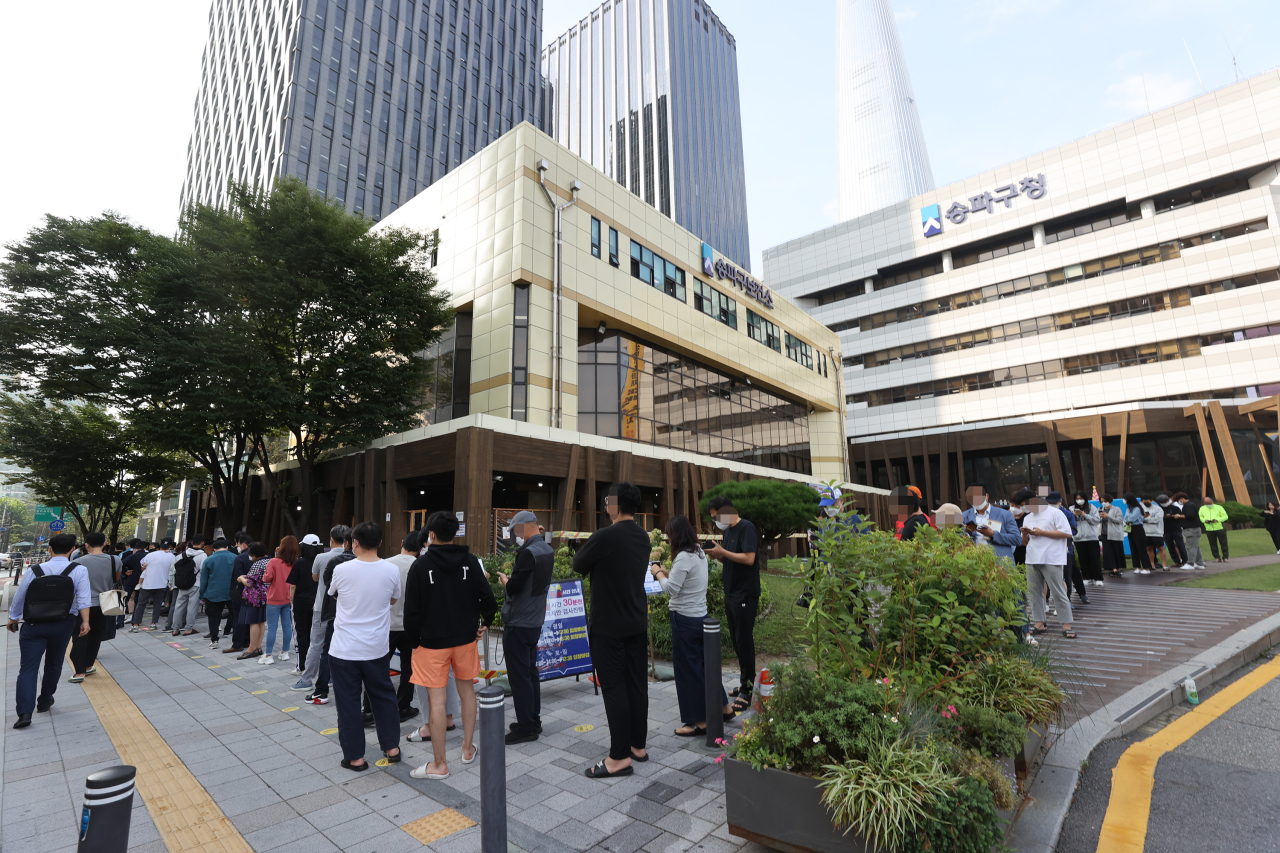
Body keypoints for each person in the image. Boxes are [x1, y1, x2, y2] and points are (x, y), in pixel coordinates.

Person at [404, 512, 493, 779]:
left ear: (431, 535)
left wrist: (414, 642)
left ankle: (439, 764)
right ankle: (467, 748)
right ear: (455, 533)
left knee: (437, 701)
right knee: (467, 692)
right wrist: (485, 622)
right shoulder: (469, 561)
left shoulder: (419, 566)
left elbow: (412, 612)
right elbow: (487, 599)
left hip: (431, 643)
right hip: (465, 639)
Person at [574, 482, 651, 779]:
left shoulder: (605, 536)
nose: (606, 506)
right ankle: (638, 746)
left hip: (609, 625)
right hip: (635, 621)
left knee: (615, 687)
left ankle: (619, 757)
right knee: (636, 684)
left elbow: (579, 564)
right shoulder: (642, 536)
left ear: (616, 505)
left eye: (608, 501)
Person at [325, 521, 403, 772]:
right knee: (383, 697)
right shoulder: (391, 570)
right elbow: (393, 599)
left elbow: (334, 594)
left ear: (353, 543)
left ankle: (355, 757)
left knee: (348, 702)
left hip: (344, 648)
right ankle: (392, 747)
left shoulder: (342, 569)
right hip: (376, 648)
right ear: (380, 542)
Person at [653, 515, 733, 737]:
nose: (668, 540)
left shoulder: (682, 557)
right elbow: (683, 581)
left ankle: (698, 721)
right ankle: (725, 707)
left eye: (669, 535)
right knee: (706, 667)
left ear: (675, 535)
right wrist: (665, 574)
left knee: (688, 671)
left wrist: (657, 572)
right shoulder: (698, 552)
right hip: (700, 617)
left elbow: (671, 589)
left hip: (684, 620)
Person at [8, 533, 91, 729]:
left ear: (49, 549)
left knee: (27, 669)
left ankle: (24, 713)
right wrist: (85, 621)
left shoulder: (35, 570)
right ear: (72, 549)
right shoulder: (79, 569)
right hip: (63, 623)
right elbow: (84, 598)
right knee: (54, 663)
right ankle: (45, 701)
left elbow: (20, 596)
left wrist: (13, 618)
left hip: (34, 625)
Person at [497, 510, 554, 744]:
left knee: (520, 677)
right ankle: (532, 720)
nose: (515, 536)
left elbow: (514, 588)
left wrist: (505, 581)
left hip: (519, 622)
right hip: (535, 620)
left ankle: (526, 728)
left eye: (516, 531)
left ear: (525, 526)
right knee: (531, 672)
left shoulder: (528, 553)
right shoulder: (546, 549)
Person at [706, 495, 761, 714]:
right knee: (737, 640)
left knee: (744, 639)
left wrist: (723, 552)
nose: (716, 521)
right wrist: (717, 555)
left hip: (745, 594)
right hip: (731, 593)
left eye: (716, 516)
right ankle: (744, 680)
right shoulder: (728, 531)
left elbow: (749, 558)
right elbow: (731, 558)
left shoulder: (746, 528)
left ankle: (747, 690)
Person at [292, 525, 352, 701]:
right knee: (340, 644)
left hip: (321, 607)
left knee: (316, 643)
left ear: (331, 539)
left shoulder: (321, 557)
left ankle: (307, 679)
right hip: (344, 608)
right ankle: (333, 676)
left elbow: (315, 577)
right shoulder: (354, 558)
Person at [1018, 489, 1077, 639]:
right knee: (1035, 593)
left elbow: (1067, 533)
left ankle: (1066, 624)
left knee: (1058, 592)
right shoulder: (1027, 517)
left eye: (1025, 504)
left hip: (1052, 558)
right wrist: (1025, 534)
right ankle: (1039, 622)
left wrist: (1042, 532)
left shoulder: (1055, 513)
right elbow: (1025, 543)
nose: (1024, 507)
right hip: (1032, 558)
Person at [380, 531, 421, 722]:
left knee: (378, 667)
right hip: (411, 626)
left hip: (386, 624)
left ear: (402, 542)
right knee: (408, 668)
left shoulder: (385, 563)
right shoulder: (421, 565)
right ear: (421, 548)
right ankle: (403, 705)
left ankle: (371, 707)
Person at [68, 532, 118, 682]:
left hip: (81, 605)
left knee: (80, 636)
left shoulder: (78, 562)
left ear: (86, 545)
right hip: (104, 604)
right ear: (104, 543)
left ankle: (79, 672)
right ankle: (89, 665)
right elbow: (116, 578)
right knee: (96, 635)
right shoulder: (114, 560)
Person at [261, 536, 299, 665]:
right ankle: (285, 652)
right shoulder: (296, 561)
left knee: (272, 628)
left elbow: (267, 578)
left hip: (274, 598)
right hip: (289, 598)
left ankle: (269, 655)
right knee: (287, 626)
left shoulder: (274, 561)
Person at [961, 485, 1022, 563]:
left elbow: (1017, 540)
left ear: (987, 496)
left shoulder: (1005, 515)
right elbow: (959, 541)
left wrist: (993, 534)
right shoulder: (964, 516)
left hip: (1000, 564)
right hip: (975, 564)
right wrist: (968, 533)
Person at [289, 535, 323, 671]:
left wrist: (291, 600)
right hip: (318, 602)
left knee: (302, 634)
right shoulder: (322, 561)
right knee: (317, 636)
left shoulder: (299, 562)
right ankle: (317, 666)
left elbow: (293, 585)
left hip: (301, 603)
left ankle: (302, 665)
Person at [1048, 491, 1087, 605]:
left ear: (1060, 502)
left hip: (1066, 548)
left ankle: (1070, 598)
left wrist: (1061, 530)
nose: (1052, 505)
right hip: (1049, 550)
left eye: (1054, 503)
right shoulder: (1043, 514)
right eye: (1049, 503)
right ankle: (1048, 601)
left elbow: (1074, 530)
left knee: (1068, 573)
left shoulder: (1067, 514)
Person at [199, 539, 237, 649]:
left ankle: (214, 639)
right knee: (235, 615)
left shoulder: (209, 560)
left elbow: (204, 580)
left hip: (213, 593)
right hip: (232, 592)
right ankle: (237, 640)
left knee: (214, 617)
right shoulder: (235, 558)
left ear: (214, 549)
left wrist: (202, 596)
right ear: (227, 547)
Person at [235, 542, 270, 660]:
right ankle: (258, 647)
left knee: (253, 621)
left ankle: (251, 648)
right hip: (265, 595)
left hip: (254, 596)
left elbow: (250, 583)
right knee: (261, 621)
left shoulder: (257, 564)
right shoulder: (269, 561)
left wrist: (241, 578)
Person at [131, 540, 175, 631]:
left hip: (148, 584)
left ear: (159, 545)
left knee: (141, 604)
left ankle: (135, 624)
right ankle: (153, 623)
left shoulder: (150, 555)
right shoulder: (172, 557)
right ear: (170, 546)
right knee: (157, 604)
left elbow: (143, 567)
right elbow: (172, 571)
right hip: (162, 584)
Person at [168, 537, 206, 636]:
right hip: (195, 584)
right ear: (202, 543)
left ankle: (175, 628)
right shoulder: (202, 555)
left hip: (182, 584)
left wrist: (172, 583)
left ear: (192, 543)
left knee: (178, 606)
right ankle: (188, 628)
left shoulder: (183, 554)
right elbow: (203, 571)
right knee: (192, 607)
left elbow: (175, 570)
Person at [223, 533, 254, 652]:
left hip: (241, 591)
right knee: (249, 618)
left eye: (239, 544)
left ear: (244, 544)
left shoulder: (240, 558)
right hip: (254, 592)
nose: (238, 547)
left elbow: (237, 577)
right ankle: (247, 640)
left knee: (238, 618)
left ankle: (237, 644)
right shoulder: (258, 556)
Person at [1071, 492, 1103, 588]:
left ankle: (1098, 578)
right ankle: (1086, 577)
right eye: (1077, 498)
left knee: (1094, 558)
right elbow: (1068, 521)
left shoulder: (1091, 507)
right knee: (1082, 559)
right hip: (1078, 538)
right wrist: (1074, 515)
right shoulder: (1071, 508)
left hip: (1091, 537)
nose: (1079, 500)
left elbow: (1096, 520)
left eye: (1081, 498)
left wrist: (1085, 514)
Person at [120, 539, 146, 627]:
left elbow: (121, 563)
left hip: (131, 580)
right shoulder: (148, 555)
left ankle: (120, 621)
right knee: (139, 602)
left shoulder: (133, 556)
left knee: (123, 601)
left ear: (134, 549)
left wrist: (125, 571)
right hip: (143, 581)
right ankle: (136, 621)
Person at [1124, 494, 1152, 574]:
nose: (1124, 500)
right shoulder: (1128, 508)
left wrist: (1127, 519)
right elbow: (1125, 517)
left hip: (1138, 528)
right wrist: (1127, 519)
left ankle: (1146, 568)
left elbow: (1132, 518)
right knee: (1133, 548)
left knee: (1141, 548)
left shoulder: (1138, 508)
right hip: (1130, 529)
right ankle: (1137, 567)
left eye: (1125, 499)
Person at [1176, 493, 1206, 570]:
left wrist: (1179, 516)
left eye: (1178, 500)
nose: (1179, 502)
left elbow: (1190, 515)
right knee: (1195, 547)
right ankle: (1200, 563)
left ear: (1182, 498)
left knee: (1191, 547)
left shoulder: (1189, 505)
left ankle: (1190, 563)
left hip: (1192, 529)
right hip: (1192, 529)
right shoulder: (1189, 505)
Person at [1161, 495, 1191, 569]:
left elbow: (1180, 517)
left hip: (1176, 529)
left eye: (1166, 501)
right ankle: (1176, 561)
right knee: (1170, 546)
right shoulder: (1160, 509)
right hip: (1165, 530)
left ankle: (1185, 561)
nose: (1165, 503)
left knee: (1181, 545)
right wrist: (1165, 516)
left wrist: (1174, 516)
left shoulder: (1175, 508)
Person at [1101, 494, 1127, 578]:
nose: (1104, 503)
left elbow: (1119, 520)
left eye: (1105, 501)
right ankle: (1114, 569)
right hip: (1104, 534)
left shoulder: (1116, 509)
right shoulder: (1100, 509)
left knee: (1117, 550)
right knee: (1108, 552)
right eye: (1102, 501)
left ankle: (1117, 568)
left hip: (1115, 533)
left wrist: (1108, 516)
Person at [1200, 495, 1230, 563]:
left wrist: (1217, 520)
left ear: (1212, 502)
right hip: (1209, 529)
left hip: (1220, 528)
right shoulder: (1202, 509)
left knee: (1223, 543)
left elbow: (1225, 517)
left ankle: (1225, 557)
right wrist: (1205, 520)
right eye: (1206, 504)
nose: (1208, 505)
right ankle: (1217, 557)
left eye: (1209, 504)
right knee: (1212, 544)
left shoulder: (1219, 507)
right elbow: (1201, 517)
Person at [1141, 496, 1167, 571]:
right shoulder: (1142, 509)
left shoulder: (1158, 509)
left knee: (1160, 548)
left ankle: (1164, 565)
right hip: (1146, 532)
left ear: (1151, 500)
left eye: (1147, 501)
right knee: (1149, 548)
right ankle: (1152, 564)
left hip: (1157, 532)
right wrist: (1146, 519)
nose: (1146, 503)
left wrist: (1146, 519)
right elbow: (1140, 518)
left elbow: (1157, 519)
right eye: (1144, 501)